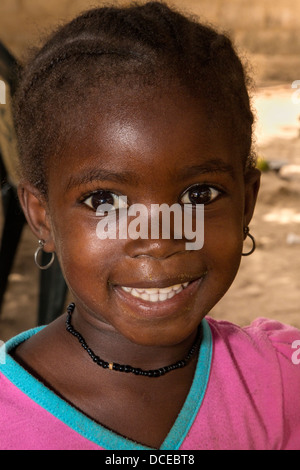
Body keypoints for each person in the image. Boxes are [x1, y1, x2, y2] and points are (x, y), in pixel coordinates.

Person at [0, 1, 299, 450]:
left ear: (247, 203)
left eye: (200, 195)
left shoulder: (282, 379)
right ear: (41, 216)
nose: (159, 240)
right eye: (105, 200)